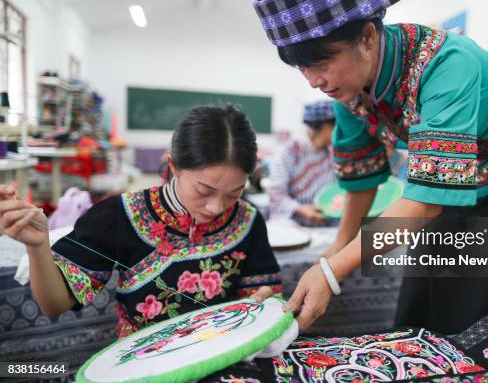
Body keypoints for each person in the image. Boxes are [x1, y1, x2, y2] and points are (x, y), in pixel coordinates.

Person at [253, 0, 488, 333]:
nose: (314, 80)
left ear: (366, 37)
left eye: (322, 61)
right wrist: (339, 245)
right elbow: (362, 177)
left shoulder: (447, 64)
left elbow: (425, 202)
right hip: (454, 194)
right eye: (303, 68)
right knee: (425, 304)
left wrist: (333, 271)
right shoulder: (348, 89)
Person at [0, 105, 282, 337]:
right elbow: (54, 305)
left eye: (234, 193)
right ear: (173, 166)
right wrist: (37, 247)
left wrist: (264, 300)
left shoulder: (247, 219)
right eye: (204, 190)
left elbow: (262, 293)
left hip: (223, 353)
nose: (216, 207)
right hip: (144, 364)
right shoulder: (120, 215)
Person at [267, 101, 336, 226]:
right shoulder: (288, 152)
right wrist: (301, 209)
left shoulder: (331, 154)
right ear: (325, 127)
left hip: (324, 224)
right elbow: (276, 195)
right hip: (293, 225)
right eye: (337, 127)